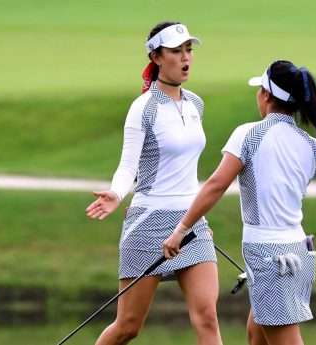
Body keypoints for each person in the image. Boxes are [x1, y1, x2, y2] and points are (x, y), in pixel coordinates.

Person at [163, 60, 316, 345]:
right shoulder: (312, 144)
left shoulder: (249, 134)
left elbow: (215, 185)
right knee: (256, 335)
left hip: (271, 257)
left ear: (265, 94)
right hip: (298, 253)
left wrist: (181, 230)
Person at [86, 21, 222, 345]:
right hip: (148, 222)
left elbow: (187, 167)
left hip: (191, 224)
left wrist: (197, 215)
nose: (186, 57)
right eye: (176, 51)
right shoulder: (142, 109)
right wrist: (117, 194)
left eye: (188, 49)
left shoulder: (196, 104)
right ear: (157, 57)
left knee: (207, 318)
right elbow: (128, 165)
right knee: (128, 327)